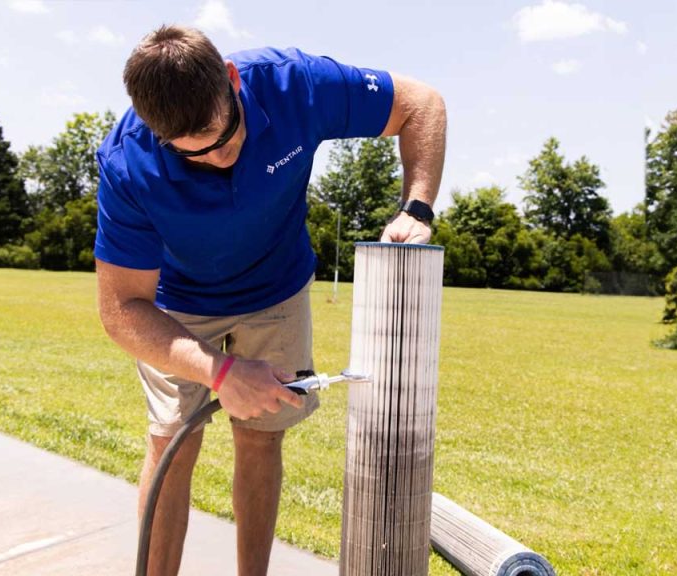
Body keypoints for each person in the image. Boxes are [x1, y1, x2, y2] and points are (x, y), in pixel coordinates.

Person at [94, 24, 446, 576]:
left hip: (277, 287)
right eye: (194, 154)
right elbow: (121, 312)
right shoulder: (127, 162)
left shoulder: (294, 84)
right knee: (172, 445)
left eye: (223, 136)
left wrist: (416, 208)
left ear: (232, 81)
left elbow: (421, 103)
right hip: (180, 305)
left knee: (261, 439)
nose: (217, 158)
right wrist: (220, 371)